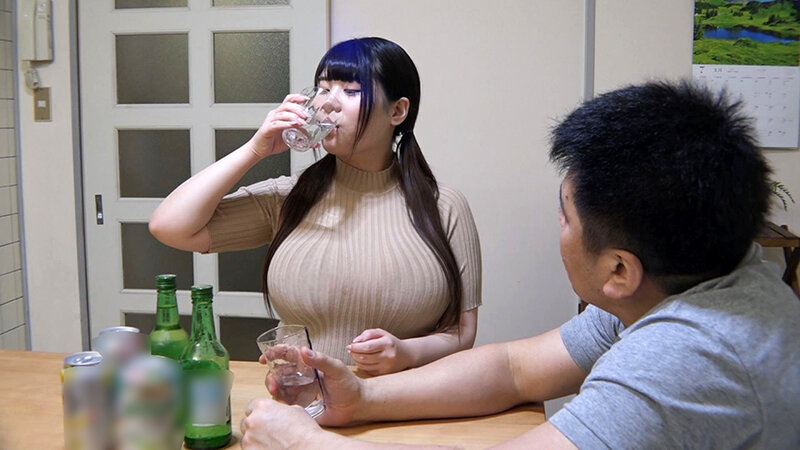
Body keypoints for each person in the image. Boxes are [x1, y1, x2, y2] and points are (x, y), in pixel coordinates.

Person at [239, 81, 800, 449]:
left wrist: (306, 442)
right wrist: (363, 399)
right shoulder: (695, 277)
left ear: (619, 272)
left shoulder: (686, 356)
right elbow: (516, 369)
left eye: (565, 217)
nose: (558, 226)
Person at [148, 37, 482, 375]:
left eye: (350, 91)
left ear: (397, 111)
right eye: (322, 89)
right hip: (300, 395)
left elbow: (461, 332)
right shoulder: (288, 197)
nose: (327, 103)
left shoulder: (444, 207)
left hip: (398, 398)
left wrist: (406, 352)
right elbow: (169, 226)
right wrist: (255, 150)